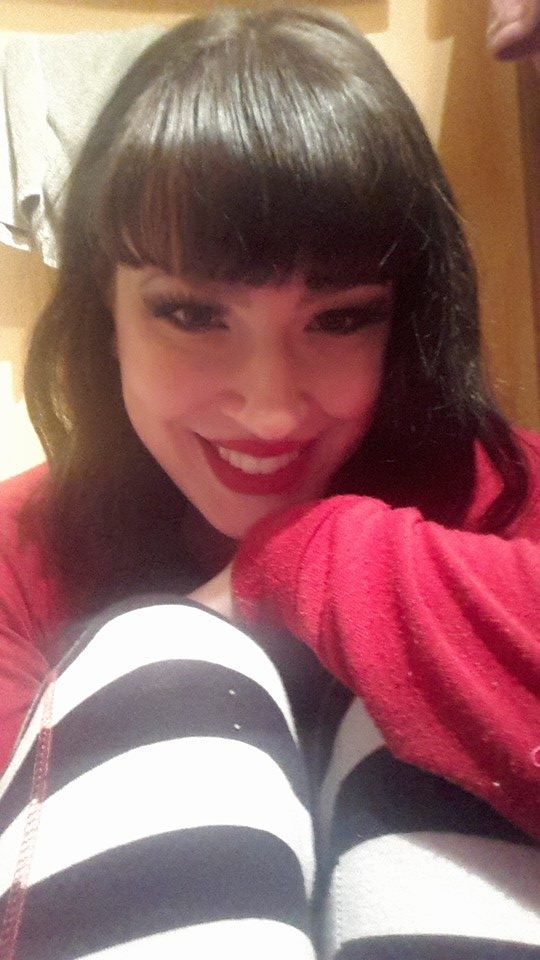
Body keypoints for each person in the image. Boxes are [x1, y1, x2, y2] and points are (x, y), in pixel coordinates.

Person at [0, 6, 538, 959]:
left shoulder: (505, 495)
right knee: (160, 654)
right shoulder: (21, 553)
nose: (272, 410)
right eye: (189, 314)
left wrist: (304, 562)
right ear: (103, 315)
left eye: (341, 319)